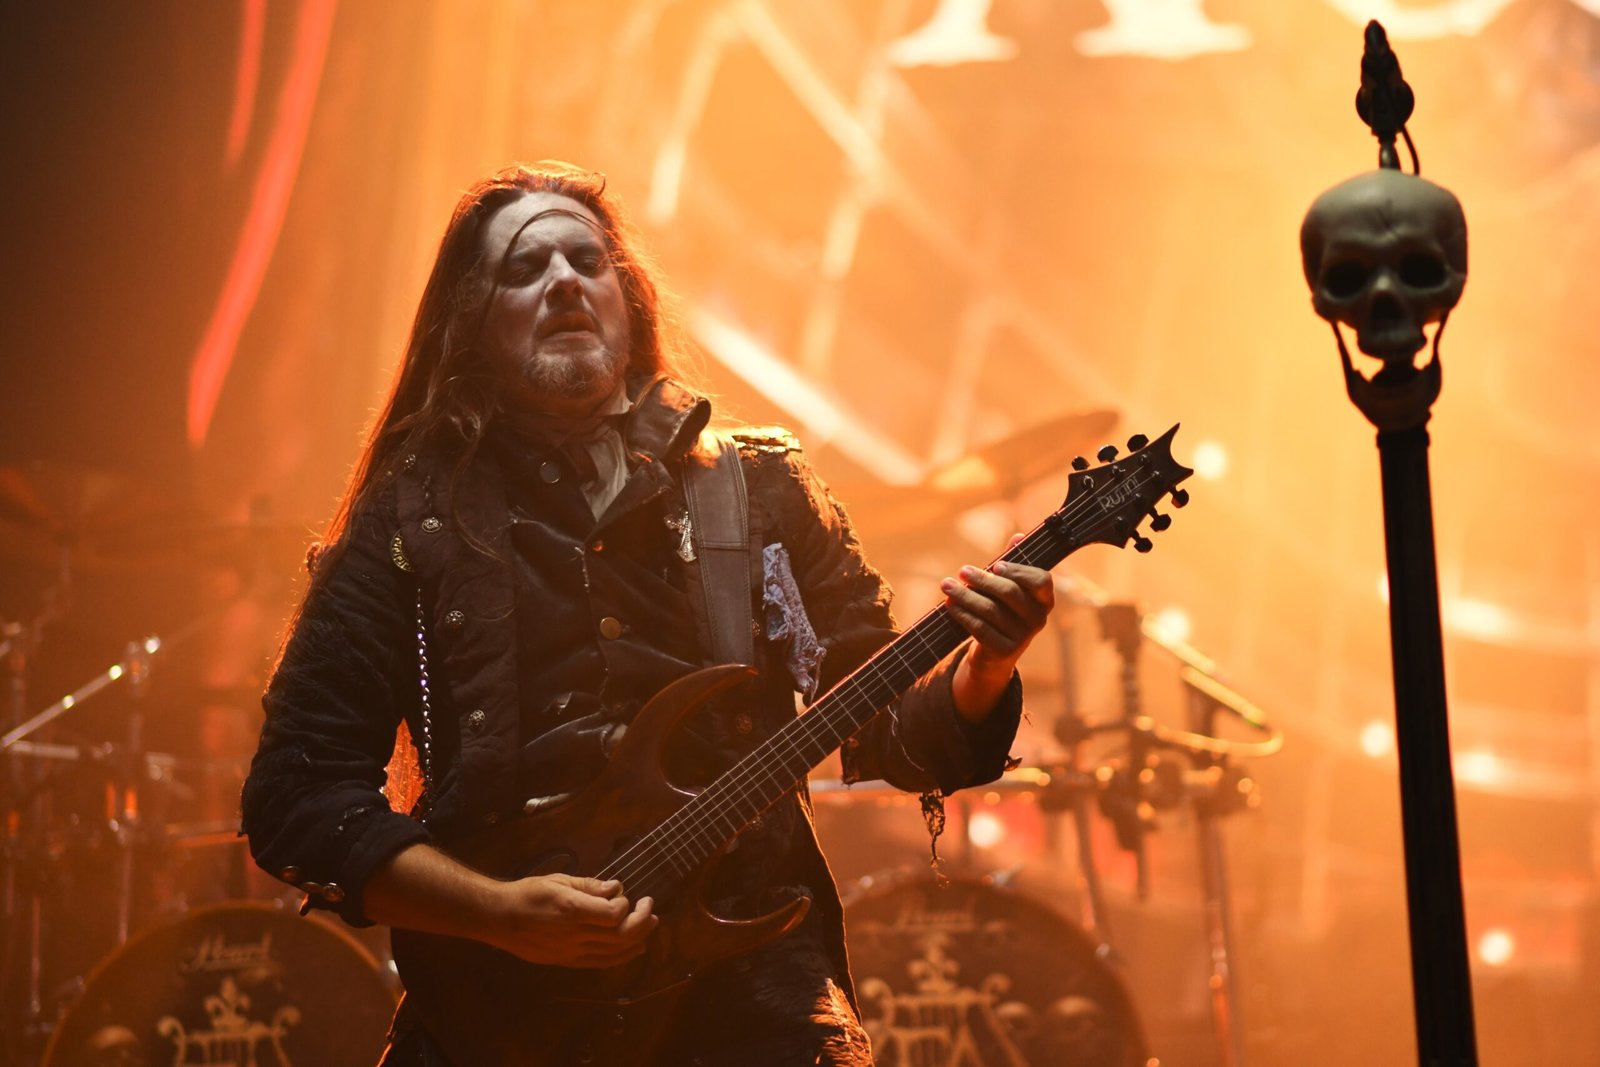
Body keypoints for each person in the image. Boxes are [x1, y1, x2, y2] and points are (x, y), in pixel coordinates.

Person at [240, 160, 1055, 1066]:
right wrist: (500, 913)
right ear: (471, 324)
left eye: (587, 261)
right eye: (524, 268)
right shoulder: (412, 516)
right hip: (498, 1015)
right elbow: (297, 795)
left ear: (626, 298)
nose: (563, 281)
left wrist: (987, 665)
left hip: (752, 998)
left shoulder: (758, 490)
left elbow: (897, 734)